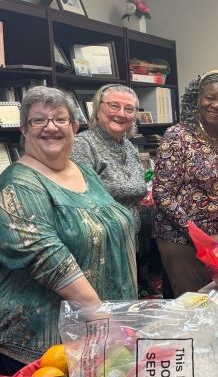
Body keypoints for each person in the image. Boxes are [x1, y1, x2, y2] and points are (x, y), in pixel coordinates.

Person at [0, 87, 137, 374]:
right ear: (24, 129)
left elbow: (112, 222)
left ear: (74, 126)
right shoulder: (17, 183)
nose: (51, 127)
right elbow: (50, 261)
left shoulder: (83, 171)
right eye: (38, 120)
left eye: (60, 119)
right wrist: (103, 319)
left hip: (99, 337)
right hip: (46, 350)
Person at [152, 70, 218, 297]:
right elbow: (162, 192)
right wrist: (196, 234)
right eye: (210, 98)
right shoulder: (178, 135)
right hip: (181, 238)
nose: (216, 105)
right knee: (197, 305)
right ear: (197, 99)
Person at [71, 84, 146, 235]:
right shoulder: (82, 144)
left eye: (129, 109)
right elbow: (82, 198)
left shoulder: (128, 146)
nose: (121, 114)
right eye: (114, 106)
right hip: (101, 240)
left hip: (128, 238)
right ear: (98, 110)